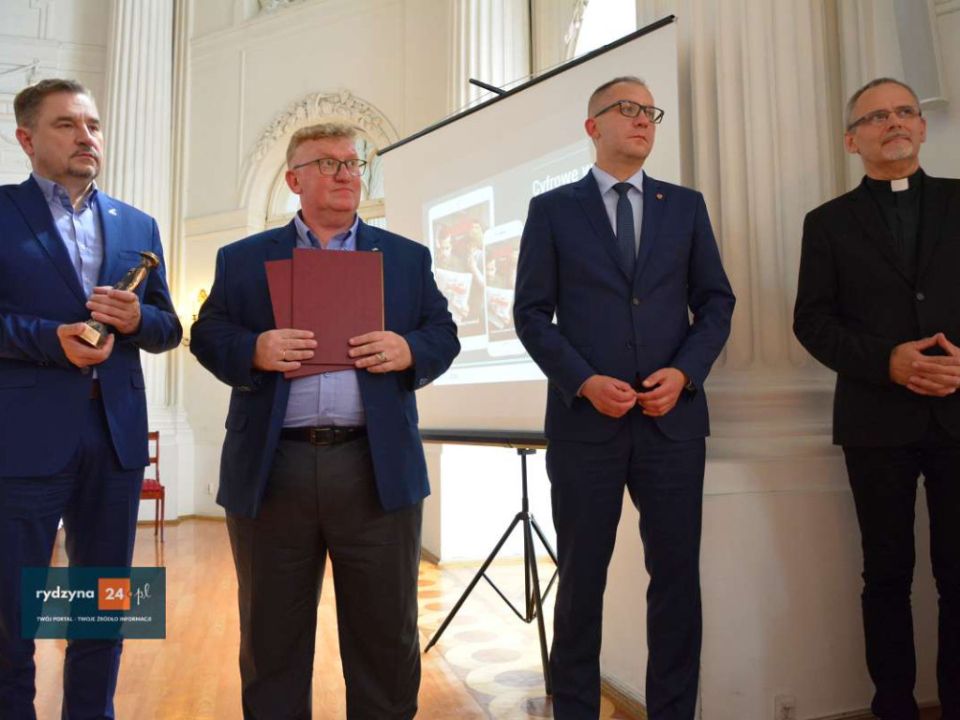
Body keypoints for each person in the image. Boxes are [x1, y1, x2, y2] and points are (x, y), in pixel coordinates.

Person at [189, 123, 459, 720]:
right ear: (294, 180)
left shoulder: (406, 258)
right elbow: (207, 334)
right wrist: (254, 348)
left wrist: (409, 349)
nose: (346, 173)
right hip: (272, 468)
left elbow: (443, 334)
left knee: (386, 636)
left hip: (375, 466)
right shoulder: (243, 259)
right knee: (271, 638)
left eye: (353, 163)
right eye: (329, 163)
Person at [513, 76, 735, 720]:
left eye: (650, 112)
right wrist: (583, 381)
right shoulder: (553, 210)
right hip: (586, 426)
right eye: (628, 109)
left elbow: (716, 302)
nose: (642, 120)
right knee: (581, 580)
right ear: (593, 127)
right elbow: (531, 314)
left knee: (676, 581)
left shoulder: (684, 206)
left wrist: (685, 373)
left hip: (673, 425)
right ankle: (574, 708)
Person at [0, 78, 181, 718]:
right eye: (67, 125)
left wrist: (137, 320)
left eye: (93, 125)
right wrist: (49, 340)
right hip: (22, 442)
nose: (87, 137)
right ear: (26, 139)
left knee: (102, 608)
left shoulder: (138, 223)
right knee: (11, 615)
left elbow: (169, 327)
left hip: (115, 441)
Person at [794, 77, 960, 720]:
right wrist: (887, 361)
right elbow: (812, 322)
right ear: (851, 140)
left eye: (904, 112)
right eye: (876, 116)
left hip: (957, 413)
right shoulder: (827, 223)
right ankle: (893, 707)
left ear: (922, 127)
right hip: (875, 421)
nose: (893, 123)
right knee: (886, 576)